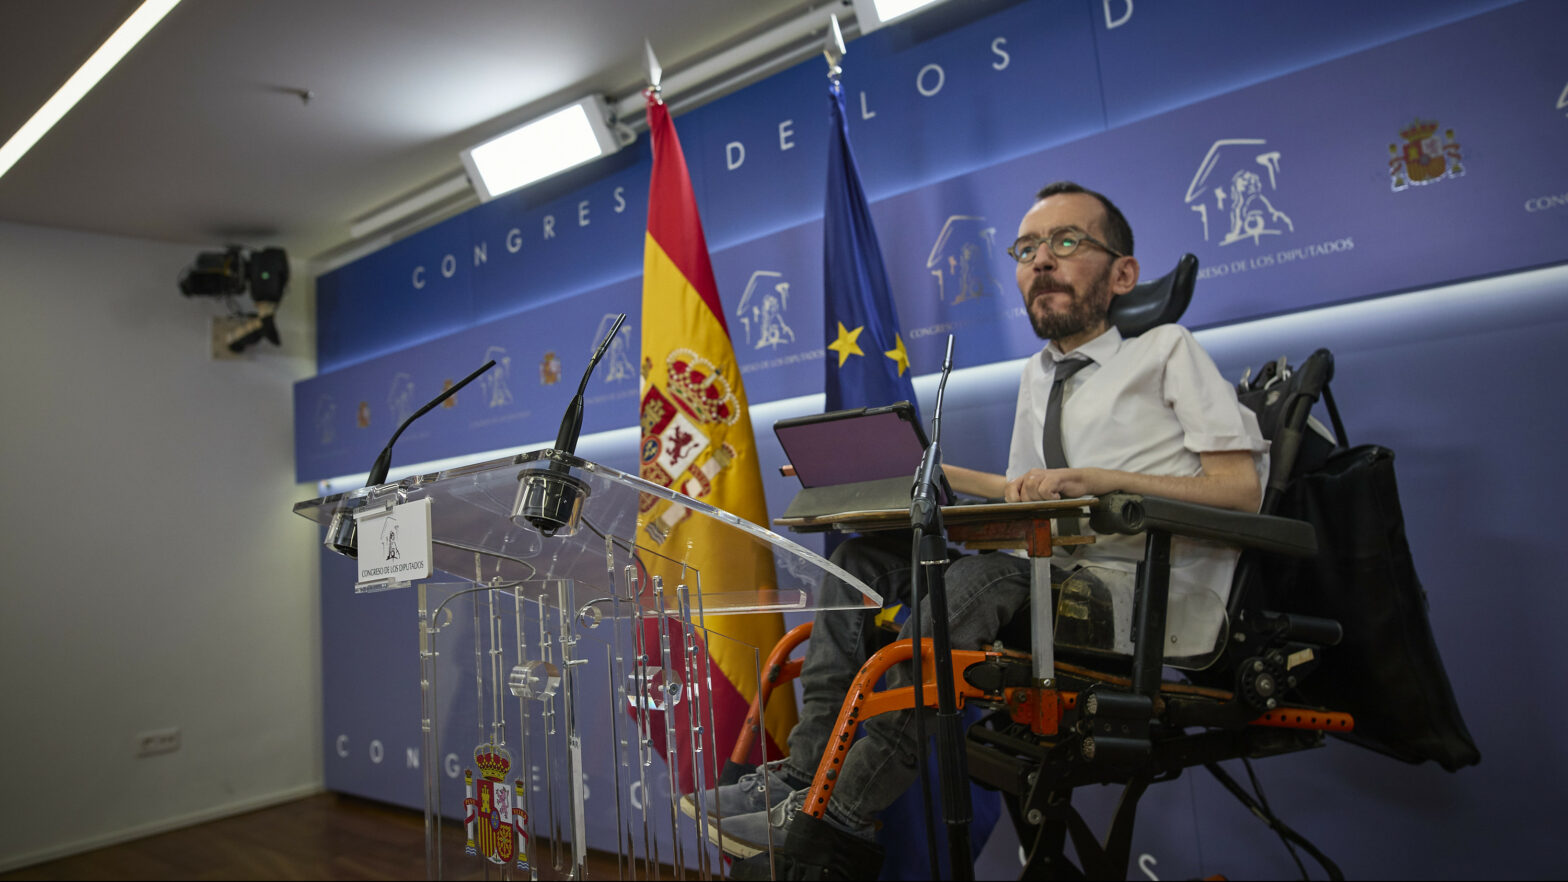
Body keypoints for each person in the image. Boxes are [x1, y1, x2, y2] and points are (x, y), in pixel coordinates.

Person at [685, 181, 1268, 880]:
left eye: (1066, 242)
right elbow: (1029, 515)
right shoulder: (1038, 375)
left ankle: (841, 809)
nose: (1041, 261)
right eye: (1027, 249)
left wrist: (1104, 480)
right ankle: (801, 777)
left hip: (1147, 605)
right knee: (867, 560)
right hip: (1056, 584)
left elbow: (1243, 490)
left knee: (981, 577)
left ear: (1123, 274)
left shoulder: (1168, 351)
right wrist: (911, 473)